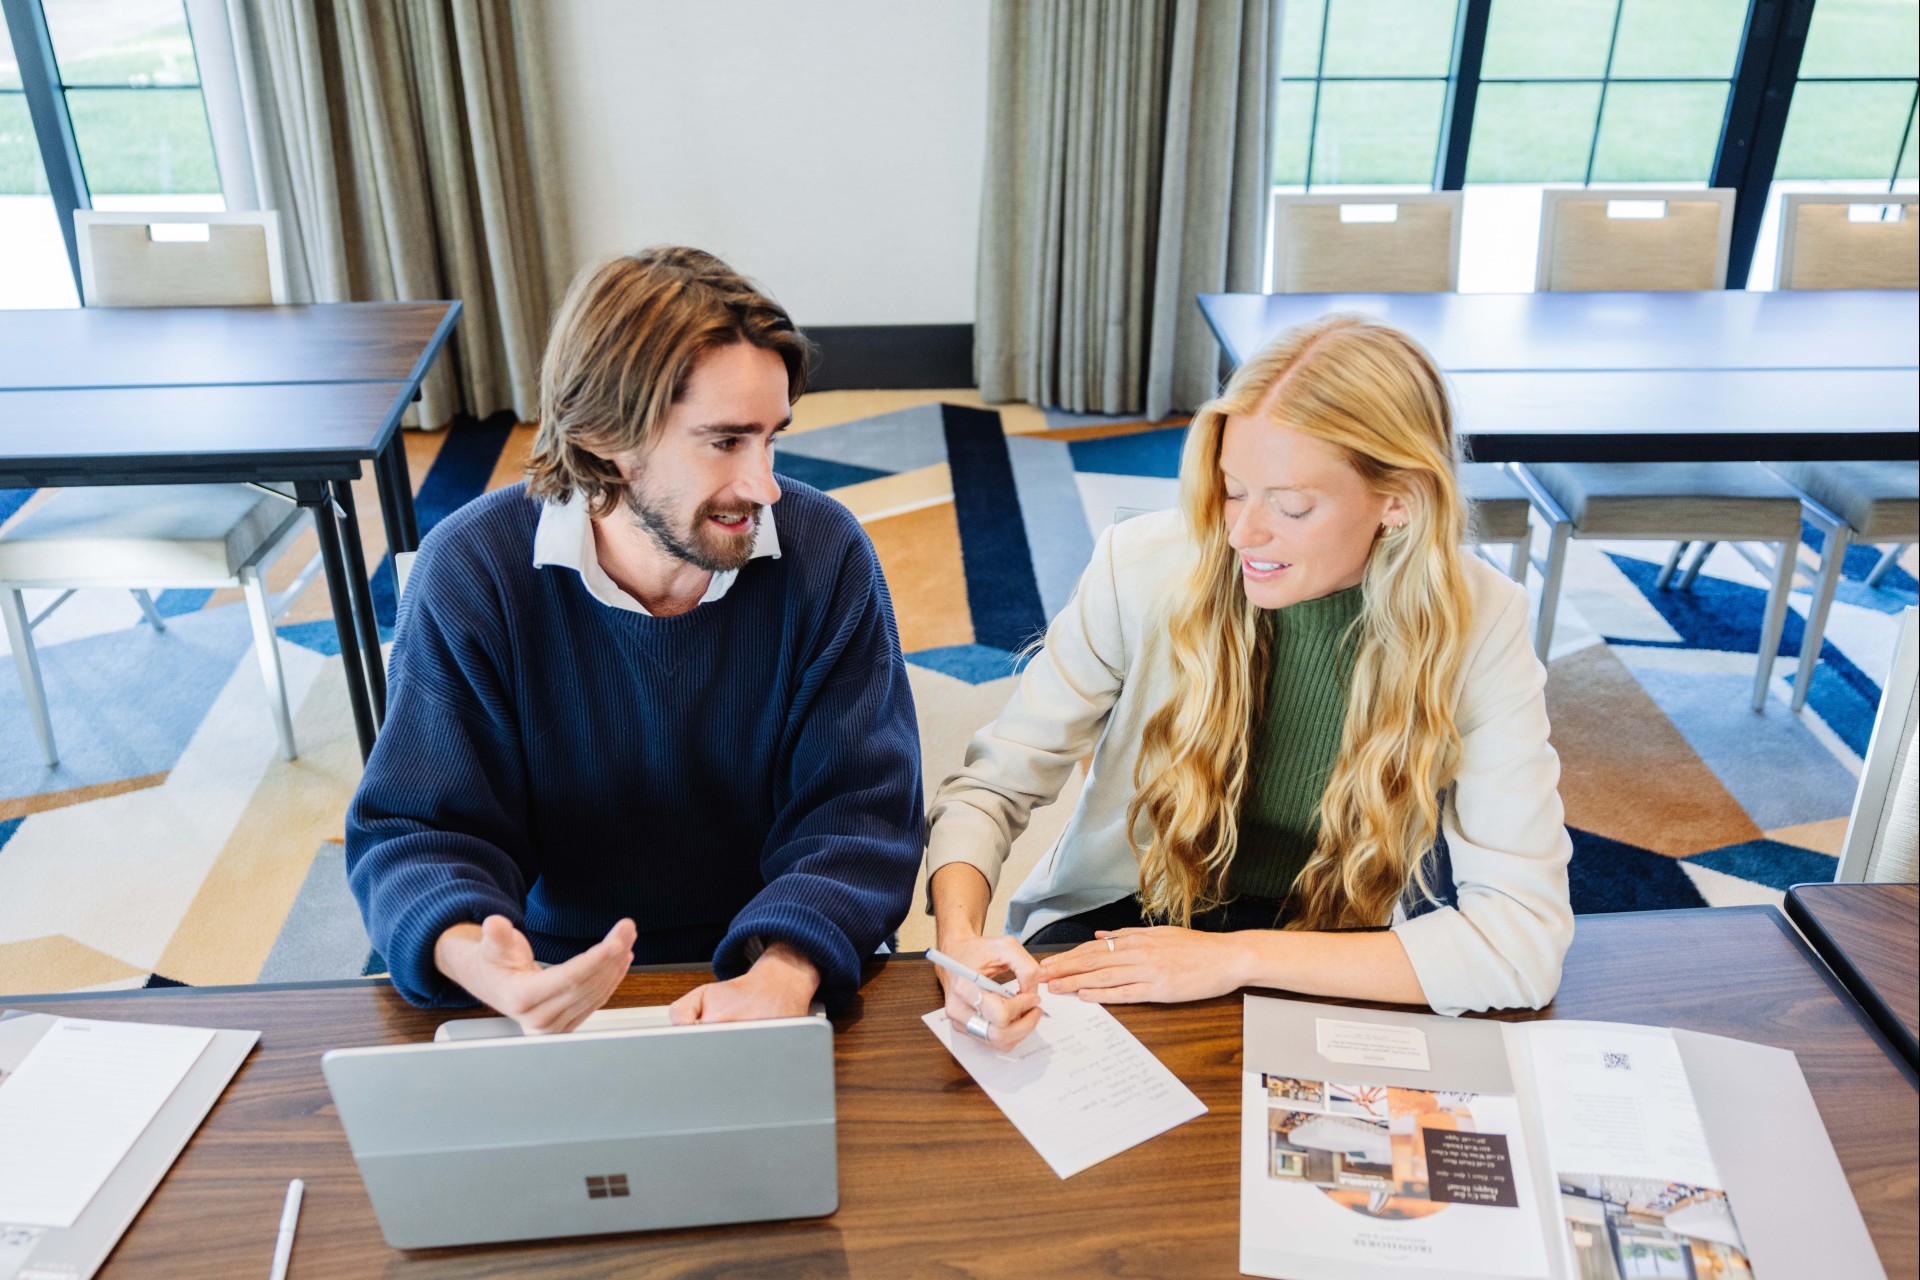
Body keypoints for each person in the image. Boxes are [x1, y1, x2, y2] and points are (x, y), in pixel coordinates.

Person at [924, 315, 1573, 1050]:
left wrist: (1236, 957)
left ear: (1399, 501)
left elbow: (1523, 943)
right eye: (1234, 490)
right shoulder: (1140, 566)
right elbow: (994, 787)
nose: (1240, 534)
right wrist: (959, 941)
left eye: (1291, 506)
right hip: (1130, 911)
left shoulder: (1481, 624)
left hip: (1334, 943)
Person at [346, 247, 923, 1032]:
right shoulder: (473, 569)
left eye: (772, 438)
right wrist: (476, 955)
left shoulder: (826, 552)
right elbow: (421, 828)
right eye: (725, 442)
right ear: (606, 436)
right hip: (553, 973)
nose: (764, 485)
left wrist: (785, 972)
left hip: (781, 958)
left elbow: (861, 815)